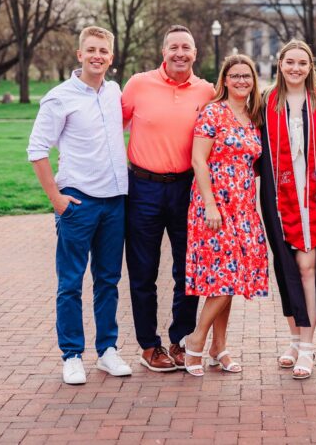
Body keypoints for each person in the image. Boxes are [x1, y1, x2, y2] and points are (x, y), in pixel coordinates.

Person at [27, 26, 132, 384]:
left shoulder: (114, 92)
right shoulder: (59, 98)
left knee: (108, 281)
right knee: (70, 283)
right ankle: (71, 355)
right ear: (79, 54)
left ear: (111, 57)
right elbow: (36, 149)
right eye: (91, 50)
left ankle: (107, 351)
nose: (97, 56)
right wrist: (56, 199)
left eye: (103, 51)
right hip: (78, 202)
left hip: (115, 201)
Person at [121, 25, 215, 372]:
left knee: (188, 269)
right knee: (143, 270)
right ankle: (149, 346)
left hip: (186, 188)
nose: (180, 53)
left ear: (195, 54)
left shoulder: (206, 91)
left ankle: (180, 340)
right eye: (173, 47)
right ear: (163, 52)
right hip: (142, 187)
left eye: (186, 48)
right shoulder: (138, 84)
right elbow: (110, 126)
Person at [179, 55, 269, 377]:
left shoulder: (254, 117)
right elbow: (198, 160)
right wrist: (210, 204)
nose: (241, 81)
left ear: (253, 81)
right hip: (214, 205)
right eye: (235, 76)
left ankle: (219, 347)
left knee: (230, 276)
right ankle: (196, 339)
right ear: (225, 80)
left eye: (247, 76)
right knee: (227, 276)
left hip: (243, 206)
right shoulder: (213, 112)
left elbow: (251, 163)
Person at [259, 39, 316, 379]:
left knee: (308, 266)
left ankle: (307, 347)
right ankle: (295, 339)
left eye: (302, 63)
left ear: (311, 67)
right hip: (278, 195)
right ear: (280, 64)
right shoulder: (264, 101)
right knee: (287, 266)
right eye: (290, 62)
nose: (296, 68)